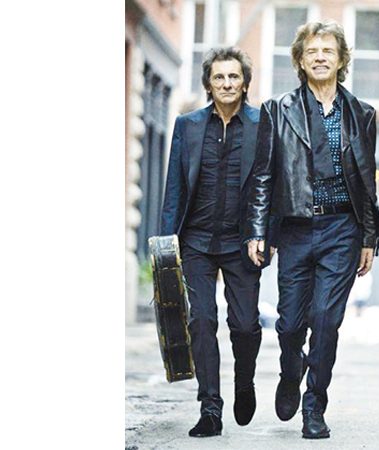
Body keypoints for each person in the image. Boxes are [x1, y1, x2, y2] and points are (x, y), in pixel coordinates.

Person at [245, 20, 379, 439]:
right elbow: (263, 174)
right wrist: (257, 230)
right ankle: (290, 371)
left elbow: (366, 183)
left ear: (342, 59)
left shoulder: (362, 114)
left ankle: (314, 405)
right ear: (300, 60)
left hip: (343, 228)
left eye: (328, 50)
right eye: (312, 51)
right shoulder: (278, 109)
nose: (320, 57)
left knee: (326, 320)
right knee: (291, 324)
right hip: (295, 228)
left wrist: (368, 237)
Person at [160, 47, 268, 438]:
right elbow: (174, 187)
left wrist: (266, 234)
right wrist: (165, 245)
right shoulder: (187, 126)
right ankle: (210, 407)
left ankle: (244, 380)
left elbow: (271, 185)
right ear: (208, 83)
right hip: (196, 240)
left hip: (243, 242)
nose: (226, 84)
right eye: (219, 77)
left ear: (245, 83)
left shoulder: (262, 124)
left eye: (234, 77)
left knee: (245, 325)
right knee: (202, 320)